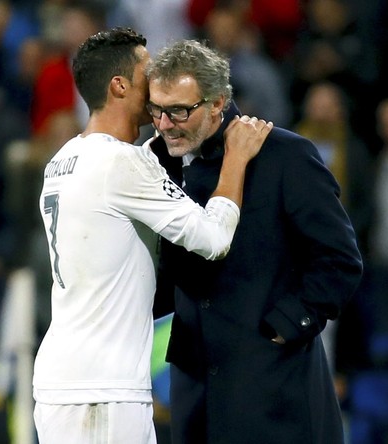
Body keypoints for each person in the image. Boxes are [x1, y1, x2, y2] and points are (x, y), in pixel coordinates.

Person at [31, 28, 272, 444]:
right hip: (102, 393)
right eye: (148, 70)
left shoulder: (64, 158)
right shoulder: (120, 163)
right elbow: (213, 238)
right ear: (119, 85)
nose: (158, 78)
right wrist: (236, 156)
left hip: (67, 381)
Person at [146, 39, 363, 444]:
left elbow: (339, 261)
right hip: (196, 397)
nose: (164, 123)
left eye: (178, 110)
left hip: (276, 391)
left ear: (218, 102)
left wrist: (282, 329)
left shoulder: (285, 156)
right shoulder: (157, 165)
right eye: (156, 109)